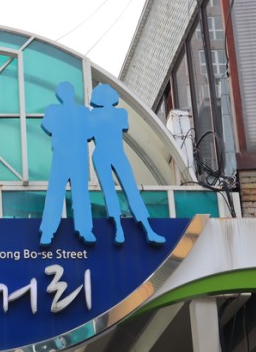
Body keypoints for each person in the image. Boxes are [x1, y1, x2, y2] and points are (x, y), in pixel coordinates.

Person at [89, 84, 165, 245]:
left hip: (106, 153)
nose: (115, 94)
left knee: (117, 190)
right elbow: (122, 126)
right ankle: (131, 229)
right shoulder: (120, 113)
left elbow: (89, 133)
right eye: (112, 92)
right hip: (113, 153)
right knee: (124, 190)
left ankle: (127, 229)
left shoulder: (93, 115)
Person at [39, 81, 95, 246]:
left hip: (66, 155)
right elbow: (89, 132)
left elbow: (48, 125)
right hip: (70, 155)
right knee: (75, 193)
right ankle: (82, 230)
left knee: (58, 193)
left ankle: (50, 232)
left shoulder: (55, 111)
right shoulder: (81, 112)